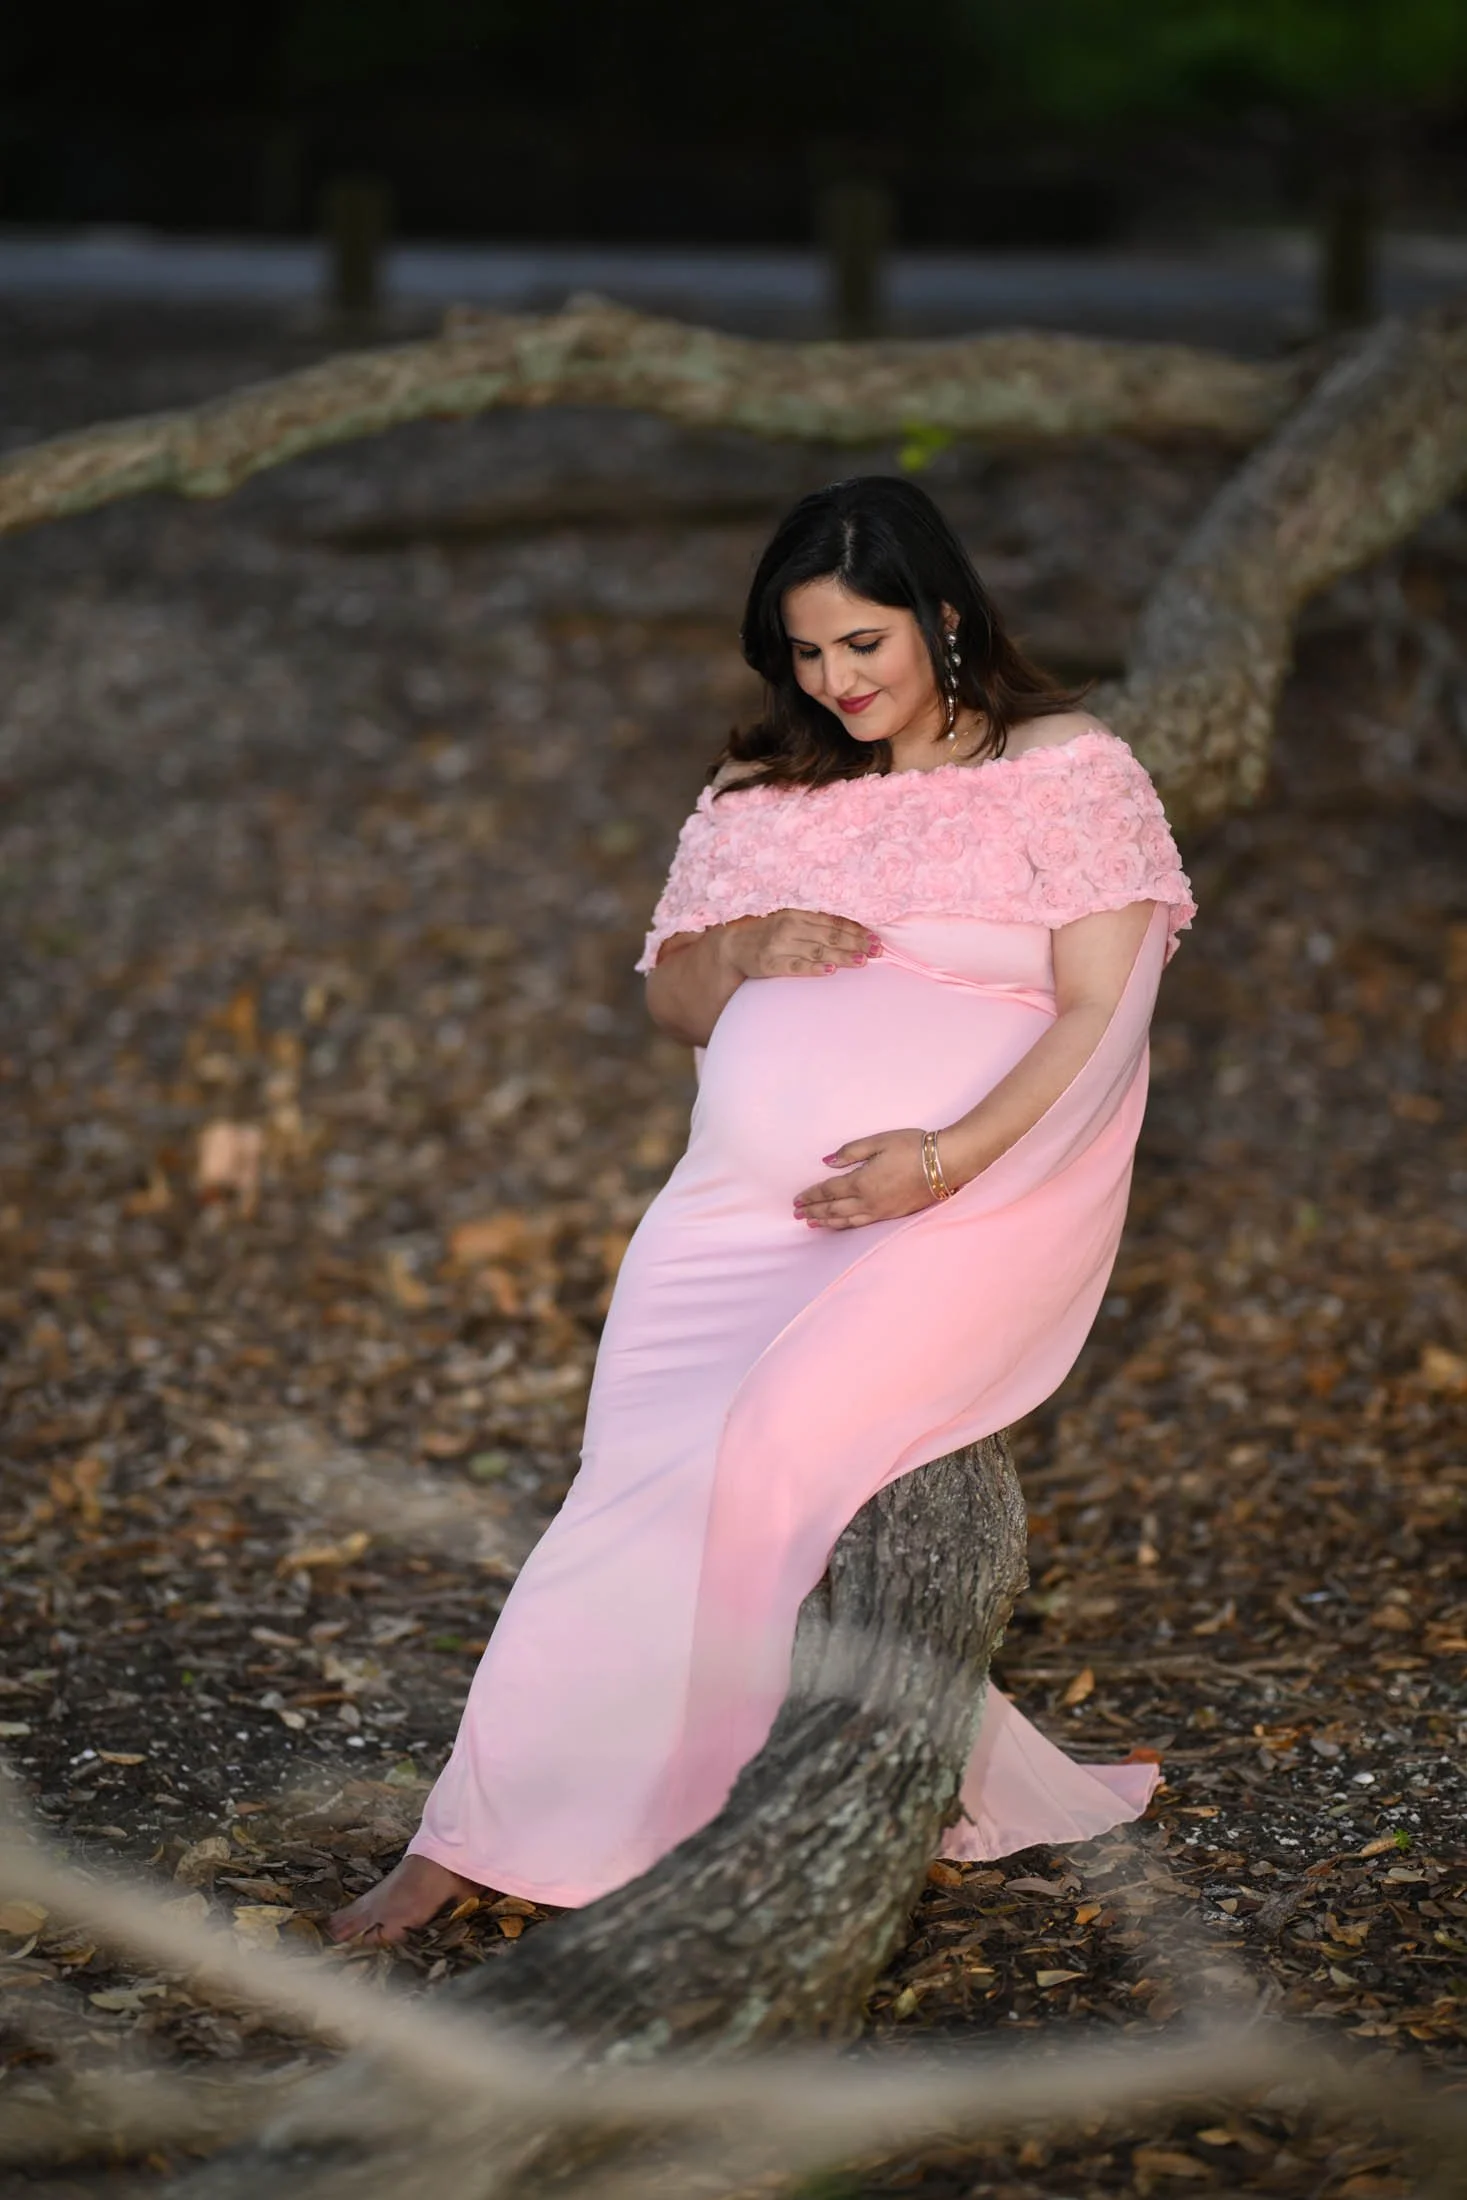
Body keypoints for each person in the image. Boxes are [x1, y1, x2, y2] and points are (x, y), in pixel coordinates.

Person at [330, 474, 1196, 1944]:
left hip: (963, 1203)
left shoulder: (1066, 767)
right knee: (627, 1490)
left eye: (863, 644)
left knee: (773, 1448)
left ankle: (716, 1827)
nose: (834, 681)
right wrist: (742, 942)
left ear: (941, 616)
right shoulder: (756, 793)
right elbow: (673, 1001)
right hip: (730, 1218)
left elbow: (1101, 1015)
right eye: (803, 654)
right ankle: (474, 1829)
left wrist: (943, 1155)